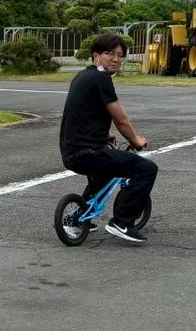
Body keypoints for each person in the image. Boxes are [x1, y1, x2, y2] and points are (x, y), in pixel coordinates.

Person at [59, 32, 156, 244]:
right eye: (109, 53)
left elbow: (82, 114)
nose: (116, 59)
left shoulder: (83, 76)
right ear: (96, 55)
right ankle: (122, 223)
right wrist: (135, 141)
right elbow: (120, 118)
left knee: (105, 173)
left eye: (120, 55)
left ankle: (78, 219)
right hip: (89, 153)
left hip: (72, 152)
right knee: (147, 169)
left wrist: (104, 134)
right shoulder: (101, 79)